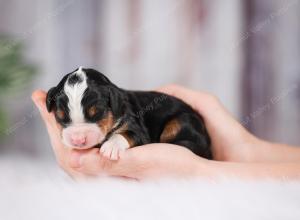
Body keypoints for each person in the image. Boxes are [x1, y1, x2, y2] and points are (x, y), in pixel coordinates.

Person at [31, 85, 300, 180]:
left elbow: (137, 134)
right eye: (65, 121)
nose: (77, 135)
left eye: (94, 118)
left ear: (112, 102)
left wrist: (198, 171)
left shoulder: (123, 110)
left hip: (178, 123)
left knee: (177, 128)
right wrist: (245, 151)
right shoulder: (111, 102)